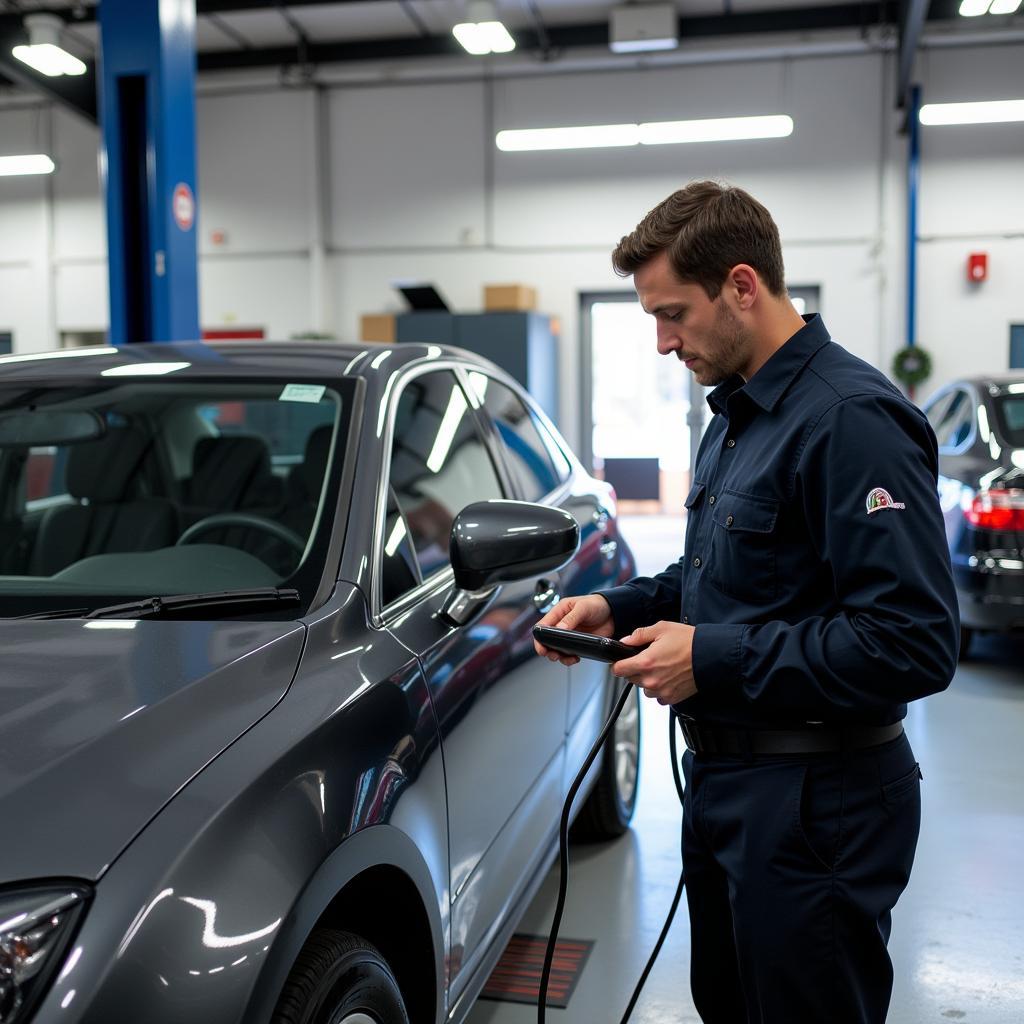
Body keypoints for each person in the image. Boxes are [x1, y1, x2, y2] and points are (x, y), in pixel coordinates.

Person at [534, 180, 958, 1023]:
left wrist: (712, 657)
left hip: (816, 804)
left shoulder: (851, 421)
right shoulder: (736, 414)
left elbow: (911, 641)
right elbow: (723, 578)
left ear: (741, 285)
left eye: (673, 314)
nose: (661, 342)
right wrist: (616, 608)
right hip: (729, 784)